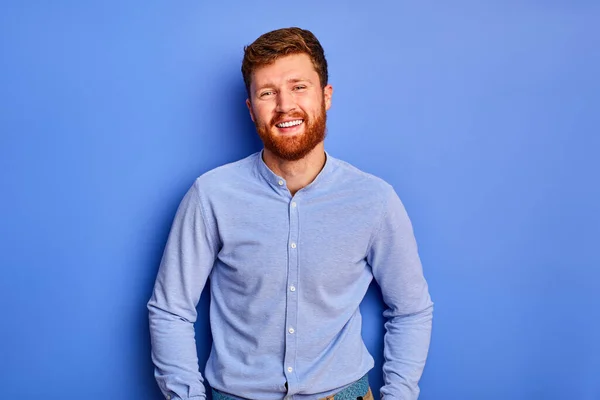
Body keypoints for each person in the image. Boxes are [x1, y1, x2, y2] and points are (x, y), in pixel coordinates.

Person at [147, 27, 433, 400]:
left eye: (299, 86)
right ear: (251, 109)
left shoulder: (374, 199)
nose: (285, 106)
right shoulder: (211, 196)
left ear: (326, 96)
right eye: (268, 93)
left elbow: (411, 309)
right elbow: (170, 310)